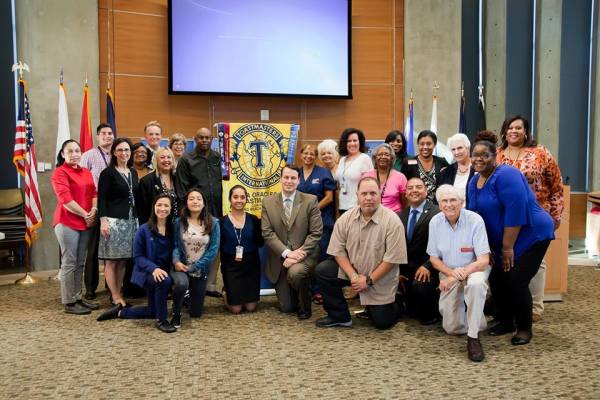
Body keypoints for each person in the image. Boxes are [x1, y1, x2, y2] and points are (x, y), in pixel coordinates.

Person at [468, 131, 555, 345]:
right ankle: (506, 321)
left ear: (495, 155)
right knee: (497, 277)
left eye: (484, 155)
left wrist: (507, 248)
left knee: (516, 280)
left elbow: (515, 213)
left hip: (531, 234)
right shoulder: (473, 181)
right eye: (475, 155)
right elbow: (472, 215)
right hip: (500, 241)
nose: (479, 159)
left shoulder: (507, 175)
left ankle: (524, 328)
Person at [314, 176, 407, 330]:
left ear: (379, 195)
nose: (368, 198)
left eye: (373, 193)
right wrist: (354, 277)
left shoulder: (393, 221)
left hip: (380, 277)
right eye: (364, 194)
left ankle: (398, 300)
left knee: (382, 323)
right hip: (353, 271)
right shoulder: (345, 219)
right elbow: (338, 252)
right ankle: (340, 316)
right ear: (357, 195)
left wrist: (369, 280)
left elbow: (392, 259)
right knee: (323, 270)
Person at [496, 116, 564, 322]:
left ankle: (535, 306)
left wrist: (555, 214)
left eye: (519, 127)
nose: (514, 131)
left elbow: (557, 184)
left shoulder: (540, 153)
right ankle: (512, 305)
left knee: (535, 263)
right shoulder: (497, 155)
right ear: (504, 131)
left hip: (535, 217)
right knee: (508, 261)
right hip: (506, 219)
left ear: (526, 132)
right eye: (510, 127)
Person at [427, 185, 491, 362]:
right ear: (439, 205)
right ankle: (478, 319)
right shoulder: (435, 222)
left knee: (476, 285)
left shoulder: (475, 220)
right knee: (451, 327)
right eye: (444, 201)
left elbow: (484, 260)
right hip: (448, 271)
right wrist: (451, 274)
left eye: (453, 200)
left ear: (461, 203)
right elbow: (434, 259)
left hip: (474, 269)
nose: (449, 205)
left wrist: (458, 275)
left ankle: (473, 338)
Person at [97, 194, 177, 333]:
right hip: (146, 272)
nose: (162, 208)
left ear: (171, 209)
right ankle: (161, 321)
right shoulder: (144, 229)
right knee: (164, 281)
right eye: (159, 205)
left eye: (166, 205)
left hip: (163, 272)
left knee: (153, 310)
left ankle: (120, 312)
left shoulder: (173, 229)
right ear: (154, 207)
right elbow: (138, 257)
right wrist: (154, 269)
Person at [261, 165, 323, 320]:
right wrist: (287, 254)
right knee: (287, 308)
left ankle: (305, 302)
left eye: (293, 178)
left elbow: (316, 233)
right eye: (286, 177)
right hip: (280, 258)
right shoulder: (268, 202)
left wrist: (298, 255)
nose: (289, 181)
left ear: (299, 180)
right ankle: (298, 293)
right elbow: (267, 233)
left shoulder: (310, 201)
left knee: (296, 273)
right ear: (281, 179)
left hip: (304, 254)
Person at [51, 139, 99, 315]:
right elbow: (65, 200)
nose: (74, 154)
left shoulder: (85, 171)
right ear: (63, 154)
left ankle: (78, 297)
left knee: (80, 262)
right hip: (67, 222)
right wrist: (86, 214)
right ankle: (69, 302)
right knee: (69, 262)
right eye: (70, 151)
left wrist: (93, 209)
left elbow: (94, 193)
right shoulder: (60, 172)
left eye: (77, 150)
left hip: (85, 221)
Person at [175, 127, 223, 297]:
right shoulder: (186, 160)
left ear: (212, 139)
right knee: (193, 247)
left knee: (214, 248)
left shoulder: (217, 158)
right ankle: (190, 285)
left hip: (216, 211)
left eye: (208, 138)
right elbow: (181, 191)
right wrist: (187, 215)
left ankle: (210, 285)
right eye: (201, 137)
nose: (205, 140)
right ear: (195, 139)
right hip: (195, 213)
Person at [97, 137, 139, 308]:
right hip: (113, 222)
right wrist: (103, 221)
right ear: (114, 152)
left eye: (127, 150)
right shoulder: (107, 173)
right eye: (120, 150)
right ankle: (114, 296)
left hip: (130, 222)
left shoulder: (133, 172)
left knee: (123, 260)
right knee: (111, 261)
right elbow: (102, 199)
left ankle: (119, 292)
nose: (124, 153)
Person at [171, 188, 220, 328]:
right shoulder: (178, 222)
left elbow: (213, 250)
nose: (195, 201)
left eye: (199, 199)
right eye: (191, 199)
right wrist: (176, 261)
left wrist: (194, 267)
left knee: (196, 313)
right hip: (181, 267)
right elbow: (175, 245)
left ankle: (187, 296)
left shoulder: (214, 222)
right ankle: (176, 312)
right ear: (186, 203)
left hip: (200, 270)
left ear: (204, 203)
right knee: (181, 284)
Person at [398, 177, 440, 325]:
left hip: (431, 267)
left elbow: (443, 245)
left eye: (418, 187)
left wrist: (428, 266)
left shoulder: (437, 212)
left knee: (420, 287)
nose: (414, 190)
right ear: (406, 193)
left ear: (426, 191)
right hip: (407, 269)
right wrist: (398, 272)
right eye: (410, 188)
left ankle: (432, 313)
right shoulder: (400, 215)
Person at [79, 123, 114, 300]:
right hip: (94, 204)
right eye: (104, 133)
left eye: (110, 133)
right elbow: (82, 180)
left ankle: (111, 285)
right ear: (98, 136)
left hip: (113, 206)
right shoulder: (89, 155)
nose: (107, 136)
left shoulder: (116, 155)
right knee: (92, 250)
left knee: (111, 250)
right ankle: (91, 288)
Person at [220, 185, 264, 313]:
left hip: (251, 266)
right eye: (235, 197)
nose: (239, 200)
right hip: (231, 266)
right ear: (230, 199)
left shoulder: (254, 220)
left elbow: (260, 243)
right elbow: (220, 246)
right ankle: (225, 292)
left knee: (251, 308)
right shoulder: (221, 221)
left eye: (242, 197)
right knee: (236, 309)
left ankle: (241, 295)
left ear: (246, 200)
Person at [297, 144, 336, 260]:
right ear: (301, 155)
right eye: (306, 153)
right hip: (303, 222)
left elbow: (329, 198)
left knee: (322, 255)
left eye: (312, 154)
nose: (308, 156)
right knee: (305, 256)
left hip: (322, 220)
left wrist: (312, 210)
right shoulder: (296, 173)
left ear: (316, 157)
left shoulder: (324, 173)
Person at [401, 130, 449, 202]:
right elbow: (403, 187)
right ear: (418, 144)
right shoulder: (408, 163)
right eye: (422, 144)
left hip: (438, 206)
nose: (425, 147)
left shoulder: (442, 162)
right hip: (416, 204)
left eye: (429, 144)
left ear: (434, 144)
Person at [334, 128, 373, 214]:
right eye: (349, 141)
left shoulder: (365, 159)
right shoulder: (342, 160)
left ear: (360, 142)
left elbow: (369, 184)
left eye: (355, 140)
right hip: (342, 205)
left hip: (357, 206)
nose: (352, 143)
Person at [361, 143, 407, 213]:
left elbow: (405, 203)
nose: (383, 157)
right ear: (375, 158)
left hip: (394, 217)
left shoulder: (400, 177)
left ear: (391, 158)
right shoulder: (366, 176)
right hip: (372, 215)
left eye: (386, 155)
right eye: (380, 154)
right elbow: (362, 198)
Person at [138, 147, 178, 224]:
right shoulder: (146, 181)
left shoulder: (178, 178)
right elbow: (142, 210)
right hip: (155, 226)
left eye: (169, 157)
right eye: (162, 157)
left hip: (176, 226)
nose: (166, 160)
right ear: (156, 160)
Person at [439, 133, 475, 204]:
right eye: (453, 149)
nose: (456, 152)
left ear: (468, 148)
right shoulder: (446, 172)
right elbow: (440, 197)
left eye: (460, 148)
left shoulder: (479, 168)